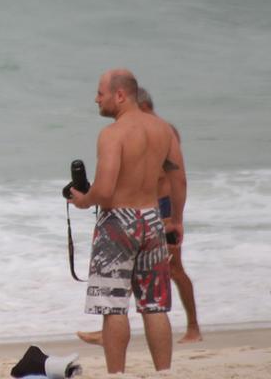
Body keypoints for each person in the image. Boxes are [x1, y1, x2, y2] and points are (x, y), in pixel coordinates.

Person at [69, 70, 186, 374]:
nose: (96, 99)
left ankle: (117, 374)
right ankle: (164, 373)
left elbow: (106, 192)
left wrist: (83, 200)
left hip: (118, 223)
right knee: (155, 305)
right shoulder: (164, 131)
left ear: (119, 95)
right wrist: (177, 220)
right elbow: (179, 178)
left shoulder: (113, 134)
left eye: (100, 93)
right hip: (152, 218)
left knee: (113, 305)